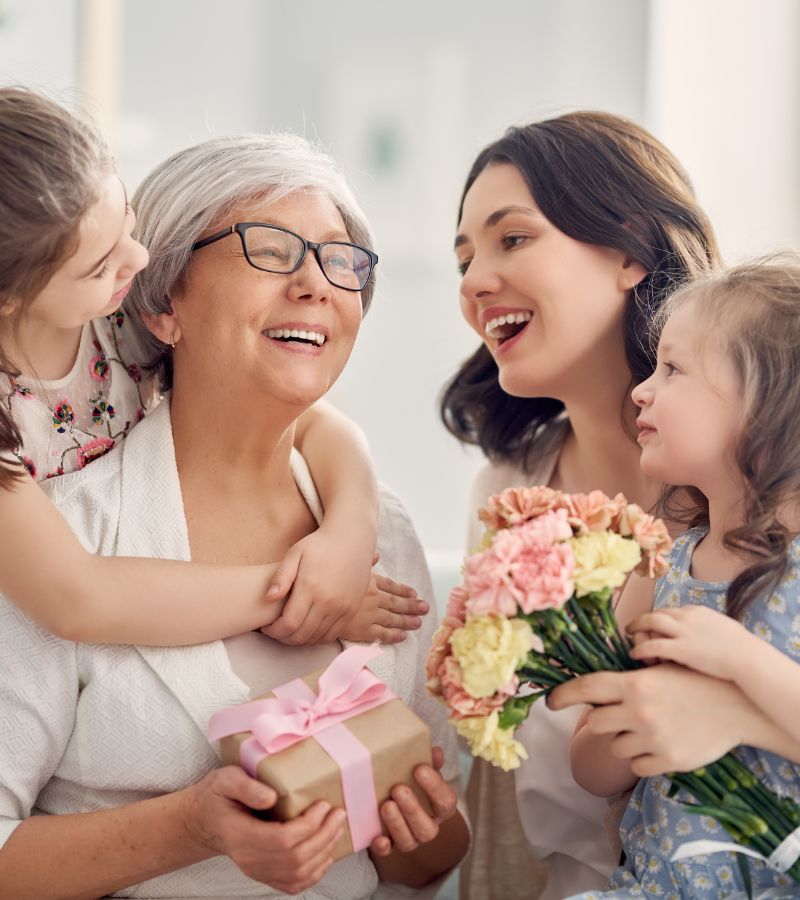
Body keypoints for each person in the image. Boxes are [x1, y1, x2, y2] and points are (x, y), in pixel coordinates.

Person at [0, 132, 469, 898]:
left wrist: (422, 829)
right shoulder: (55, 532)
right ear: (161, 304)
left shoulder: (379, 533)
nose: (317, 283)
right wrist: (190, 827)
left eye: (340, 259)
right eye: (272, 249)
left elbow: (425, 865)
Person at [0, 86, 426, 649]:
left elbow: (317, 421)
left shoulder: (116, 318)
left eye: (126, 223)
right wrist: (304, 596)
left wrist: (351, 531)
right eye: (101, 264)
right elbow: (80, 599)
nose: (139, 258)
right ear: (11, 297)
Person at [441, 111, 720, 900]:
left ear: (630, 249)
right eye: (463, 258)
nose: (472, 281)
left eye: (512, 239)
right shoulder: (505, 495)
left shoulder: (762, 478)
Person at [558, 257, 800, 897]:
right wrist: (628, 711)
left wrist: (740, 663)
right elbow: (589, 768)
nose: (641, 389)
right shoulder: (659, 565)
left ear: (771, 406)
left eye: (673, 369)